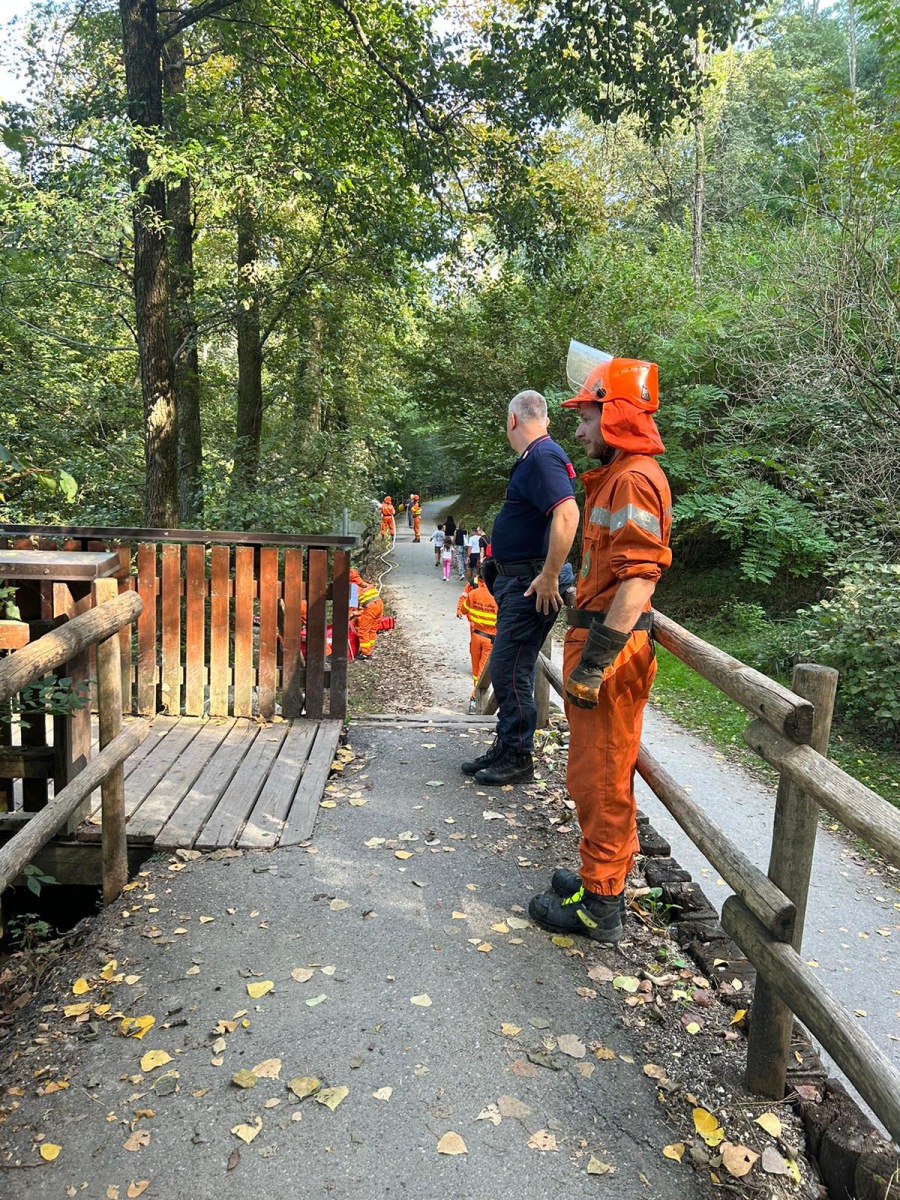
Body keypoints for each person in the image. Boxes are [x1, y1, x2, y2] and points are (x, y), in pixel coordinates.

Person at [528, 344, 672, 944]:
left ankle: (601, 905)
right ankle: (597, 877)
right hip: (600, 644)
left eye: (587, 416)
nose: (579, 428)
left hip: (609, 654)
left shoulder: (633, 479)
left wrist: (595, 662)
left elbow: (638, 578)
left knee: (603, 777)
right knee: (594, 772)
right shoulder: (617, 476)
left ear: (615, 416)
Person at [460, 390, 579, 786]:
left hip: (532, 582)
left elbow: (567, 513)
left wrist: (549, 574)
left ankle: (517, 757)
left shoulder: (543, 456)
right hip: (522, 580)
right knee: (512, 666)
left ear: (512, 420)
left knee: (509, 666)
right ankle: (506, 746)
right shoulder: (536, 456)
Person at [456, 572, 497, 714]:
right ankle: (475, 698)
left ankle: (476, 697)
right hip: (490, 639)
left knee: (476, 670)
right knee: (482, 671)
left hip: (475, 635)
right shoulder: (498, 596)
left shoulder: (473, 593)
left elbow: (463, 609)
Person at [349, 567, 384, 659]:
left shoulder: (353, 587)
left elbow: (352, 607)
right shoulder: (363, 583)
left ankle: (365, 653)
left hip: (370, 608)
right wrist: (358, 613)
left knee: (363, 631)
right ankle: (369, 649)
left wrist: (351, 616)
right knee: (372, 629)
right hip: (379, 604)